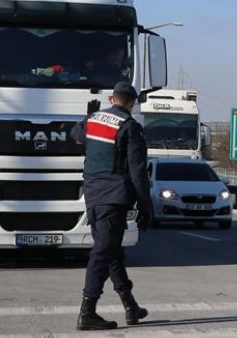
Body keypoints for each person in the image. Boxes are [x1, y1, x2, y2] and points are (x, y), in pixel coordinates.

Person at [76, 81, 153, 331]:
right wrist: (146, 206)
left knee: (111, 252)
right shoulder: (130, 127)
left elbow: (75, 135)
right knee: (102, 253)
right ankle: (87, 312)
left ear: (112, 99)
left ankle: (131, 306)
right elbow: (138, 172)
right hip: (114, 196)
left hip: (93, 195)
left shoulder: (93, 121)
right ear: (132, 103)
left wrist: (87, 117)